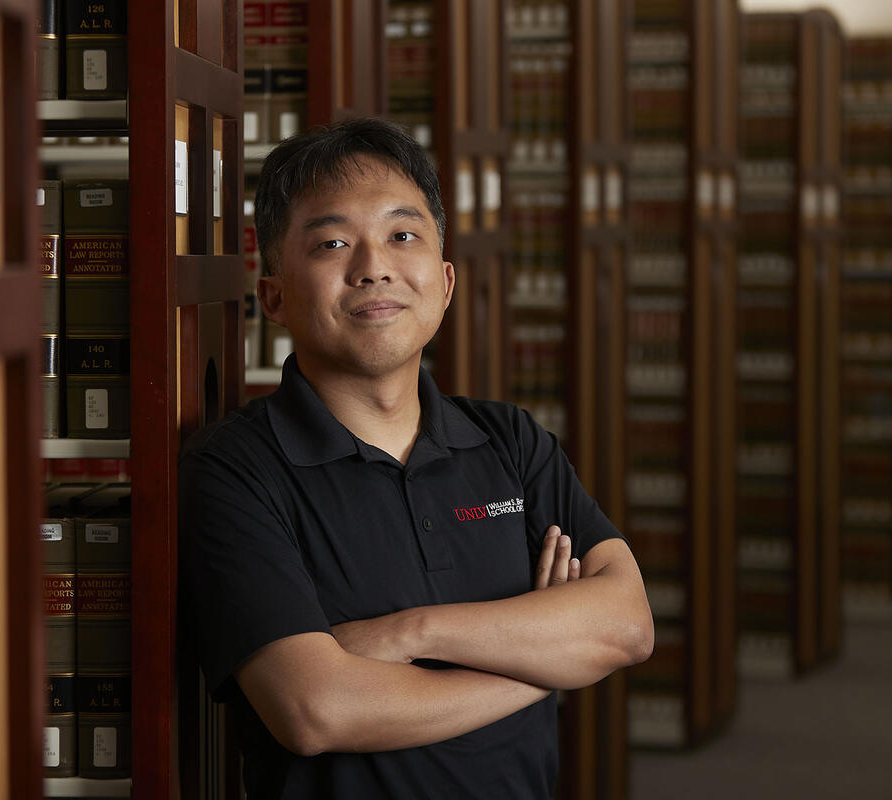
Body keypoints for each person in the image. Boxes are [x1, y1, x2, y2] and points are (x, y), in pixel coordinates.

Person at [179, 117, 654, 799]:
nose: (374, 266)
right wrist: (548, 660)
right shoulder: (234, 470)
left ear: (447, 280)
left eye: (403, 236)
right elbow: (317, 709)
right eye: (333, 242)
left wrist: (407, 634)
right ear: (274, 296)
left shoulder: (512, 443)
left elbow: (627, 625)